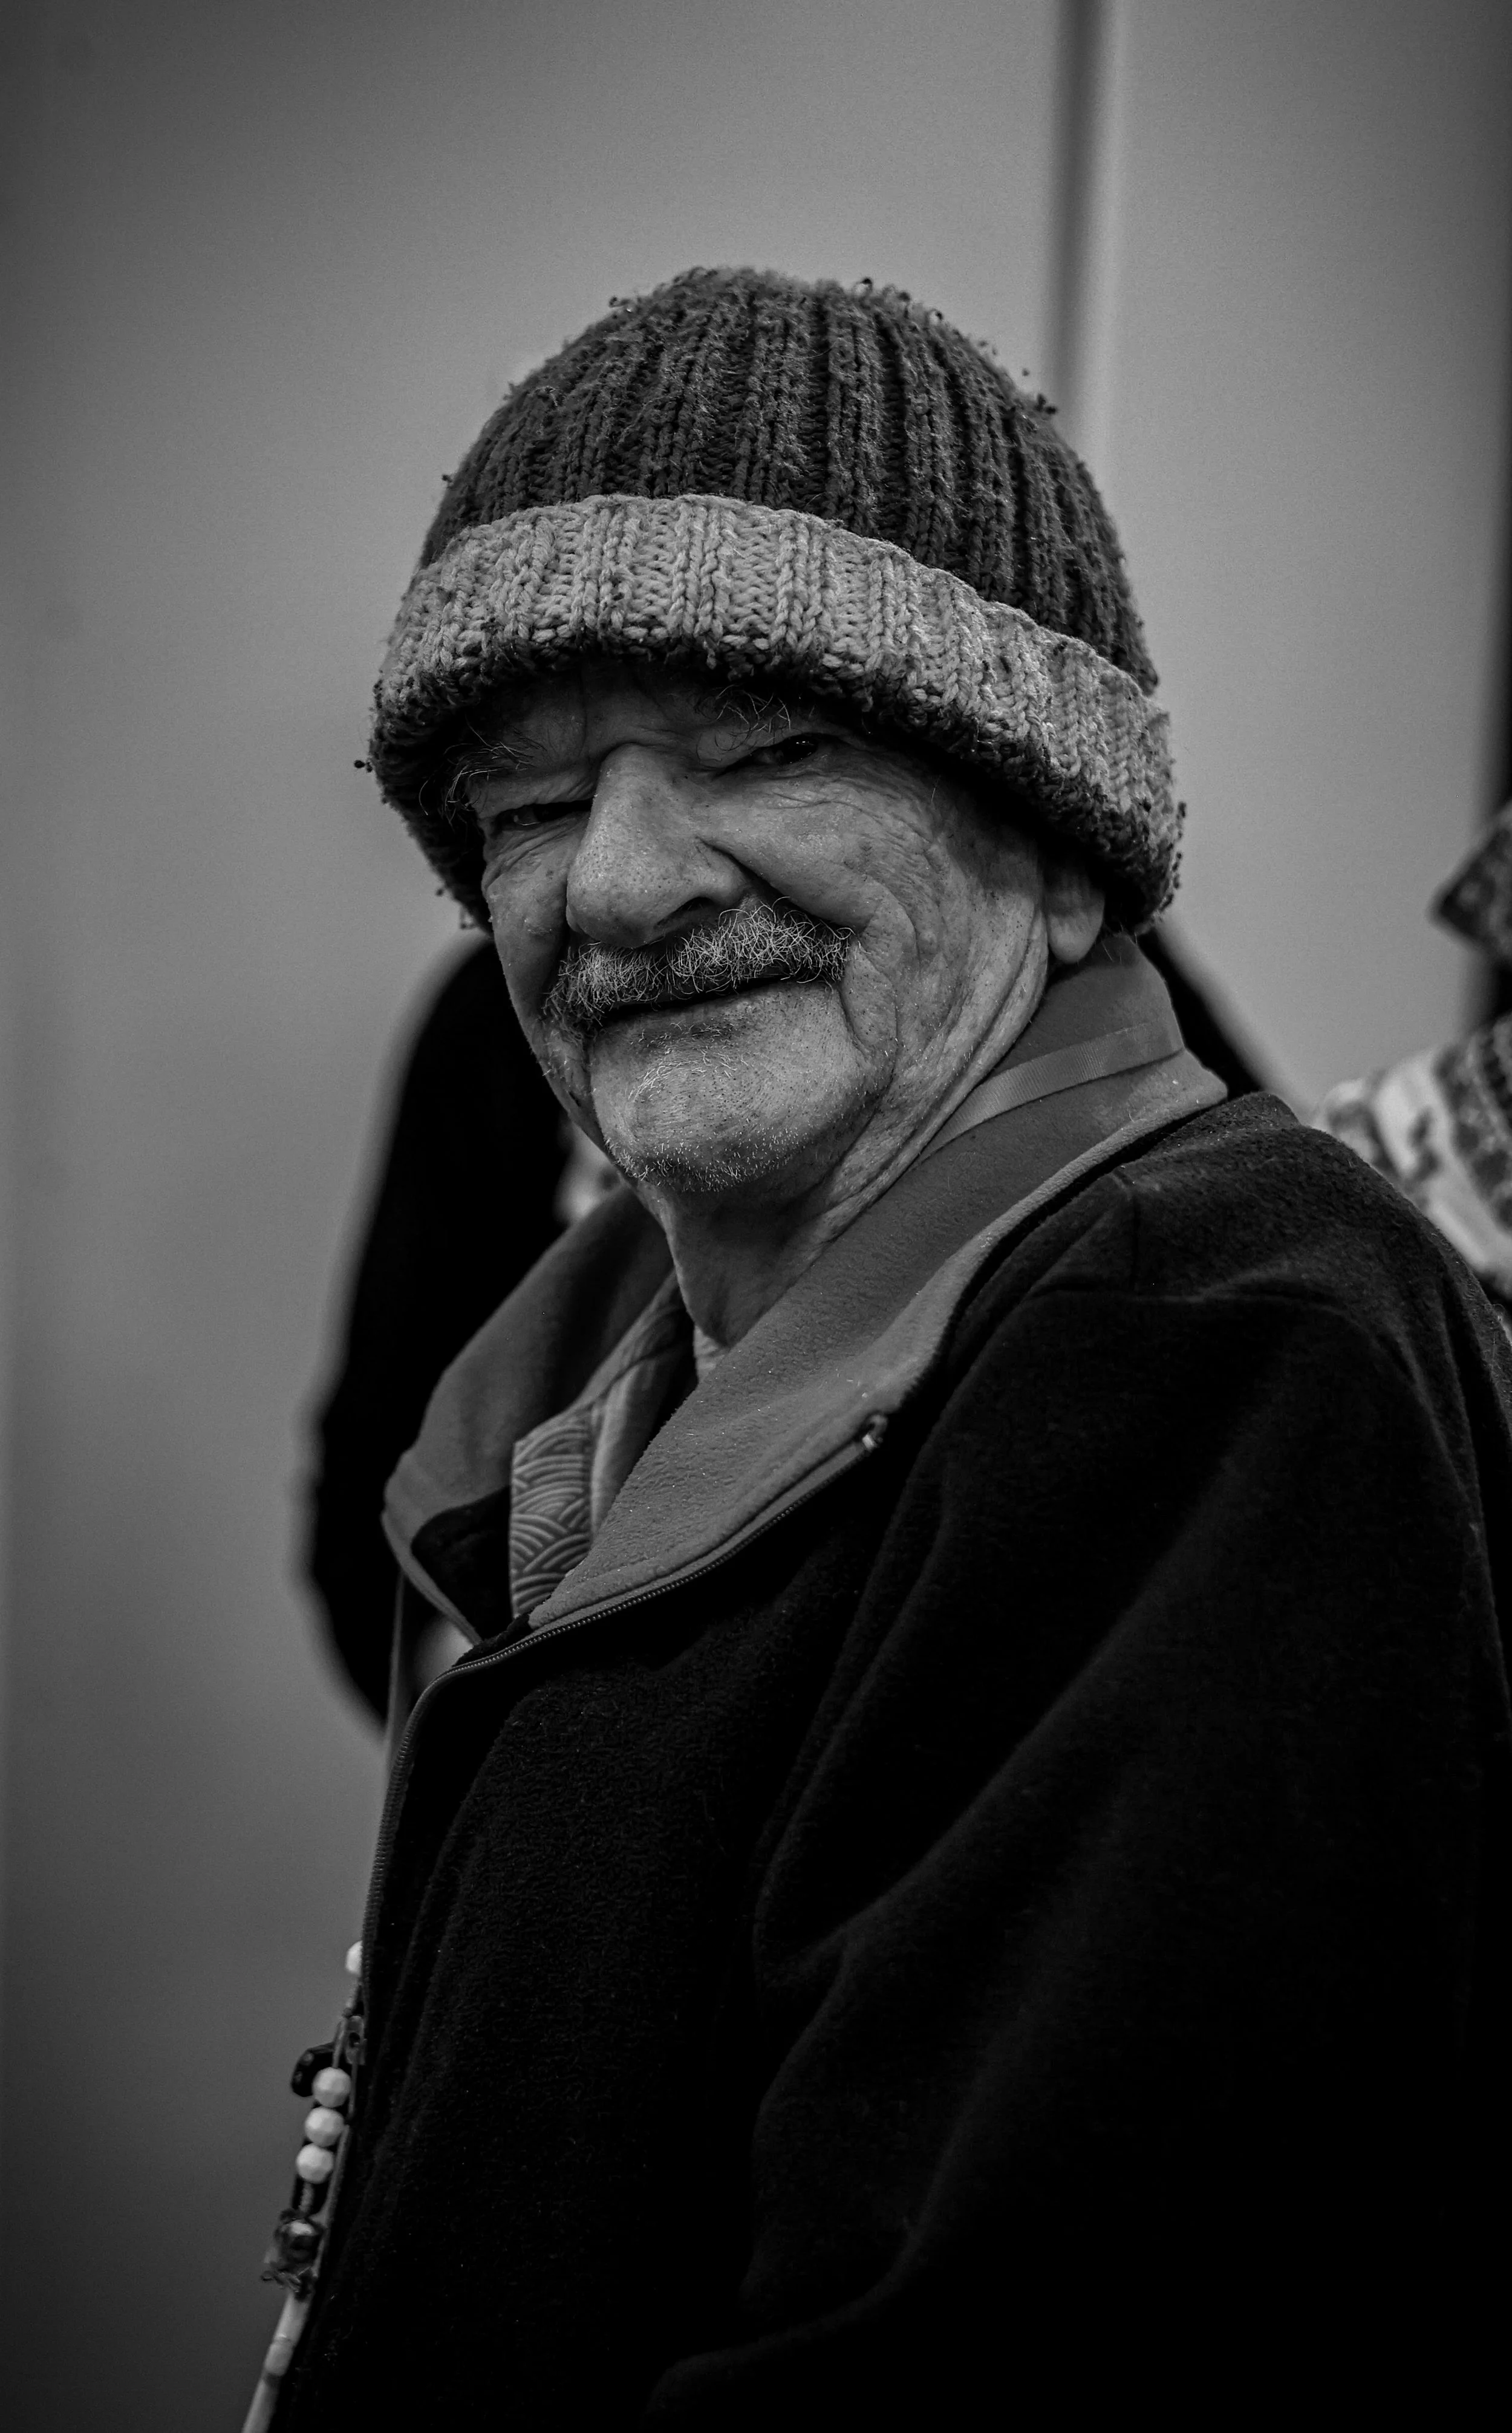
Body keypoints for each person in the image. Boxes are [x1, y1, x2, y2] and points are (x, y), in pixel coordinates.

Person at [264, 270, 1512, 2423]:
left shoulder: (1213, 1352)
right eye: (531, 805)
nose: (621, 883)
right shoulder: (593, 1403)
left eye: (768, 744)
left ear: (1054, 850)